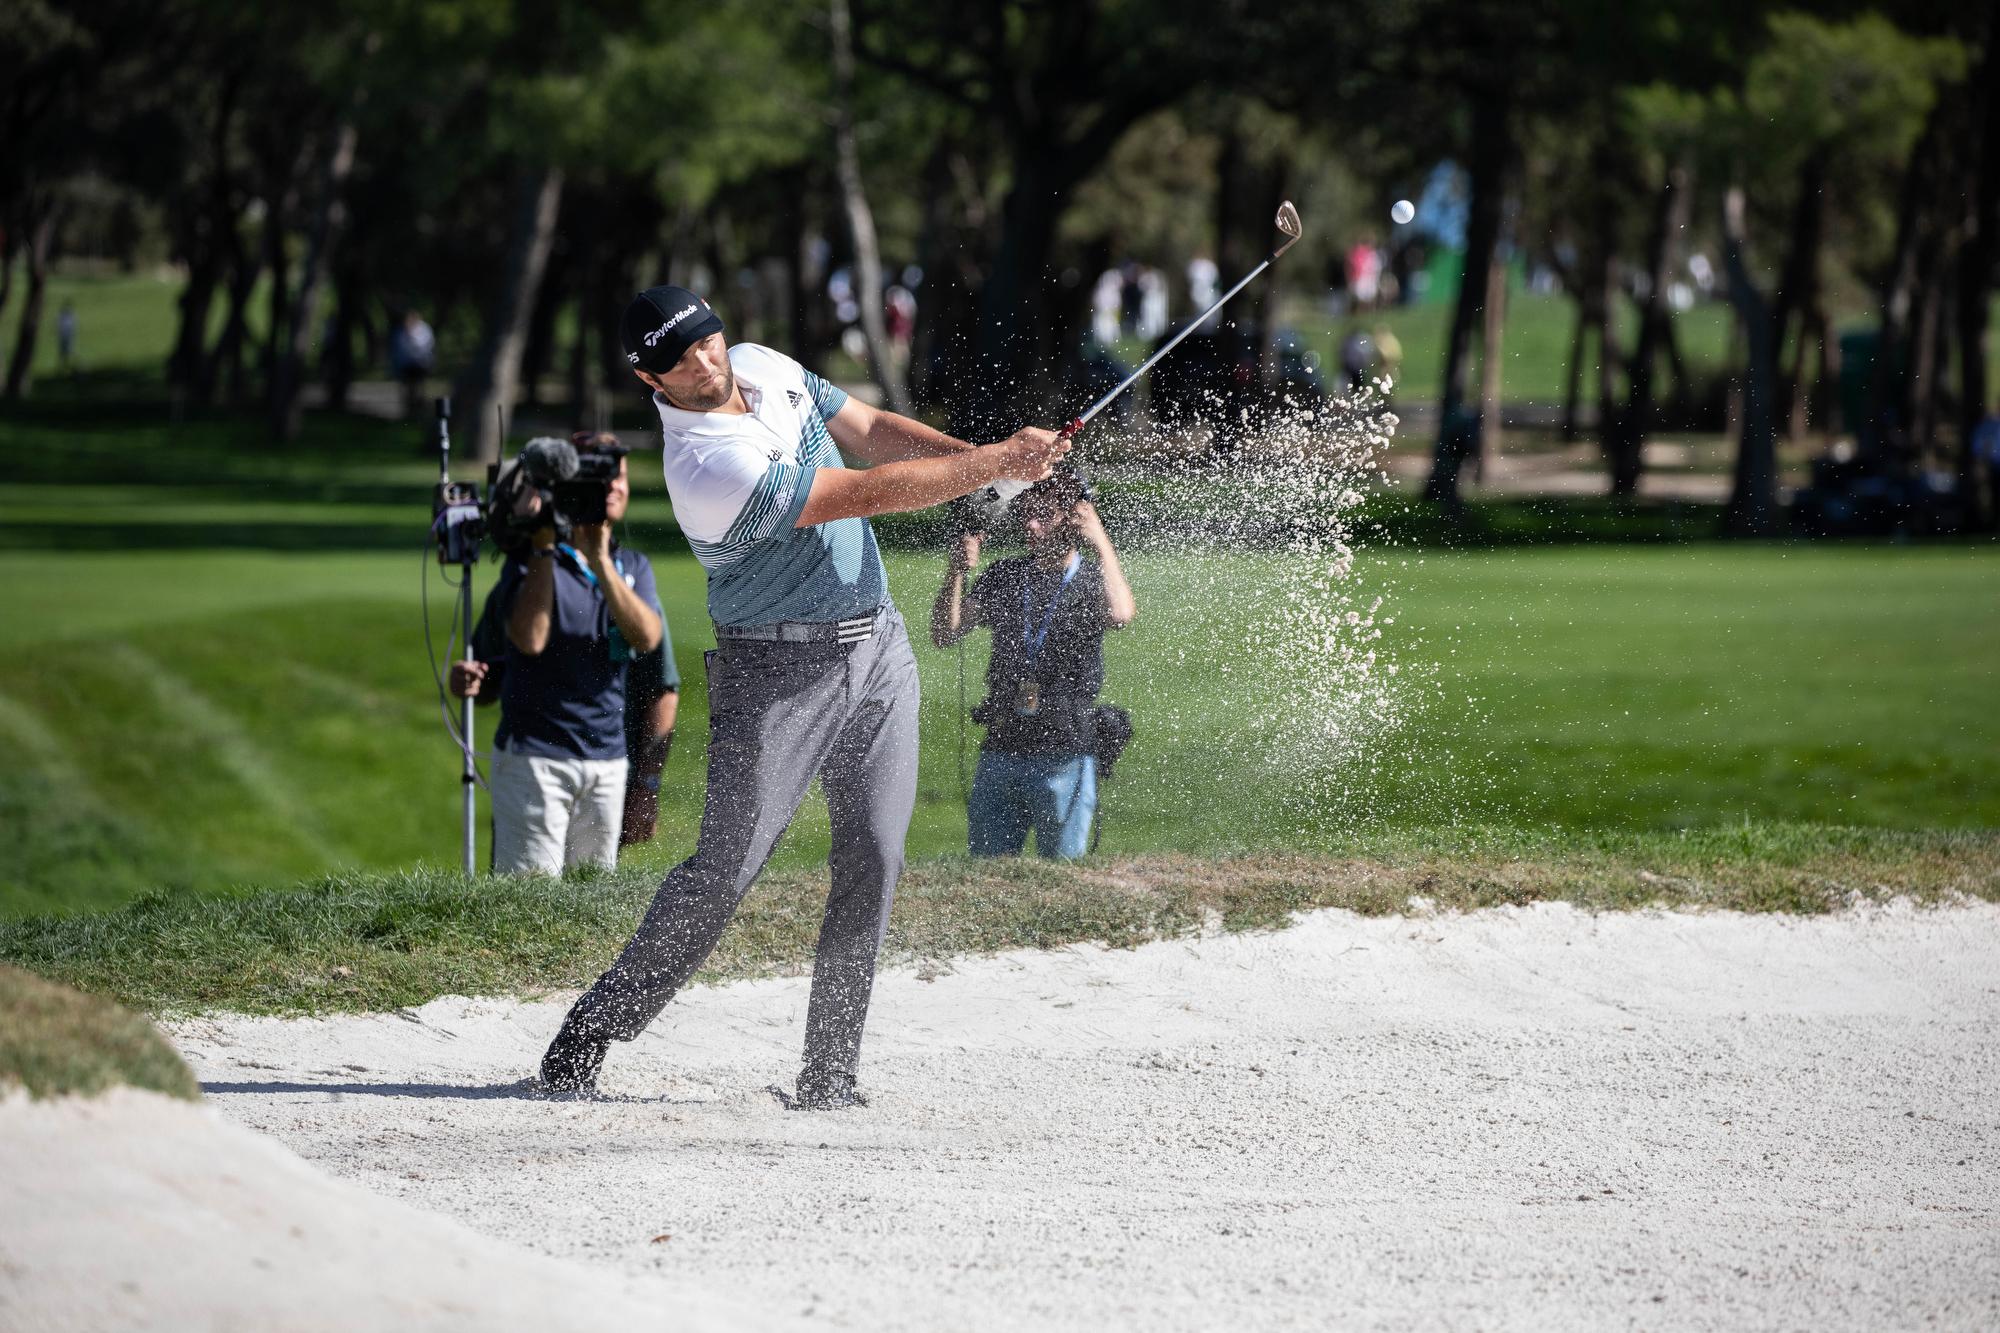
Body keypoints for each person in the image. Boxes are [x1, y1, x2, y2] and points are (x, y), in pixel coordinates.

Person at [537, 285, 1069, 1107]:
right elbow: (859, 490)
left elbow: (870, 431)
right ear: (652, 382)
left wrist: (986, 460)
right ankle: (594, 1026)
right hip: (776, 676)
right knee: (724, 872)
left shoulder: (761, 364)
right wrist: (995, 463)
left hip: (878, 645)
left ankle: (829, 1072)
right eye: (677, 362)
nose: (703, 364)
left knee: (877, 854)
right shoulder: (702, 466)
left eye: (707, 341)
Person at [447, 432, 665, 875]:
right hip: (536, 760)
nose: (611, 488)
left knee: (591, 904)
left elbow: (646, 638)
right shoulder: (530, 561)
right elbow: (530, 639)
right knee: (529, 901)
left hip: (606, 760)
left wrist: (600, 559)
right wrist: (545, 546)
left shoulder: (631, 567)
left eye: (618, 477)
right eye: (598, 478)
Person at [930, 467, 1136, 859]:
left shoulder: (1092, 579)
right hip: (1001, 749)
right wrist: (956, 571)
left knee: (1060, 882)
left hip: (1064, 754)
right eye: (1025, 514)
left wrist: (1099, 540)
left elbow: (1121, 613)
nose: (1030, 525)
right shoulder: (1005, 575)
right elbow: (945, 633)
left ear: (1074, 518)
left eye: (1043, 516)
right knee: (986, 877)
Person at [389, 310, 436, 420]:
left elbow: (425, 346)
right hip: (406, 364)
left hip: (421, 363)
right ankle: (409, 411)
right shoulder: (401, 331)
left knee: (419, 387)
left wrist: (411, 338)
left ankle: (419, 410)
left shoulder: (424, 329)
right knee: (407, 388)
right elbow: (399, 348)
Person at [55, 302, 77, 373]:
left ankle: (68, 366)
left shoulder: (69, 318)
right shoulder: (62, 317)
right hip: (64, 337)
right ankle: (63, 367)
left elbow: (72, 328)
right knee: (63, 353)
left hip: (67, 337)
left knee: (68, 352)